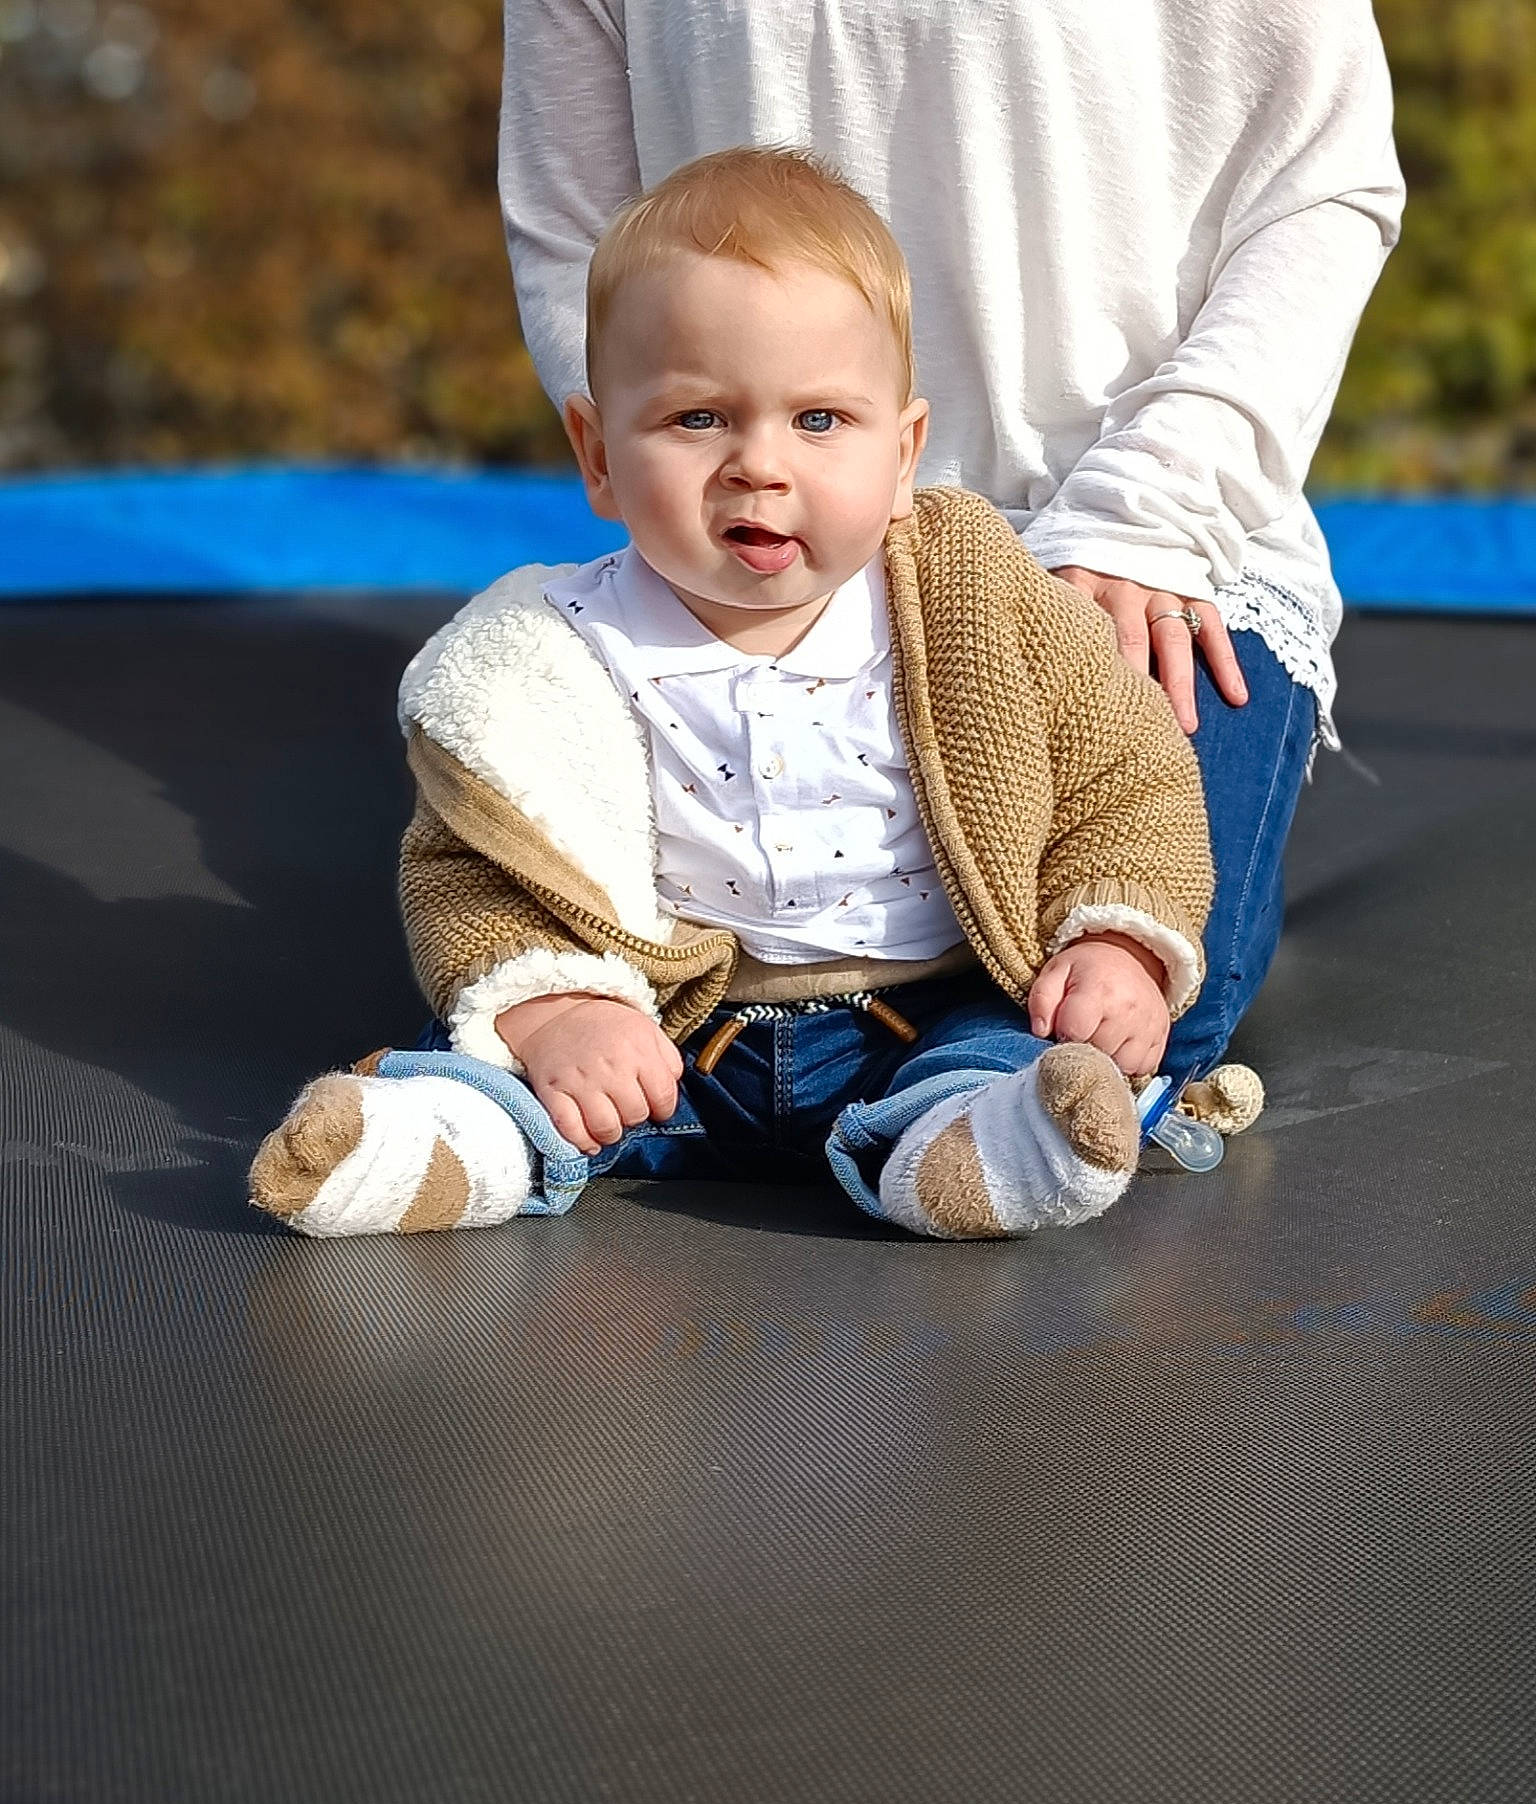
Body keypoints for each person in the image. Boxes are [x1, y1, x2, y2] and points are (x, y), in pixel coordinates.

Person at [250, 148, 1213, 1242]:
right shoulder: (545, 654)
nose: (761, 465)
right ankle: (442, 1143)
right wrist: (557, 1009)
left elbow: (1125, 776)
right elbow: (464, 873)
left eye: (820, 420)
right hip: (661, 1037)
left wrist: (1118, 945)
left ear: (903, 455)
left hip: (926, 1013)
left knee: (1008, 1054)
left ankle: (973, 1139)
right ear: (597, 453)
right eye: (699, 419)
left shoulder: (974, 602)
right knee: (507, 1070)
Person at [497, 0, 1405, 1080]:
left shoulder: (1139, 523)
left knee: (1120, 1009)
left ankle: (952, 1113)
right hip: (756, 561)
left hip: (1145, 541)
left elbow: (1320, 178)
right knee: (544, 993)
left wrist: (1145, 508)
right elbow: (575, 229)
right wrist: (699, 491)